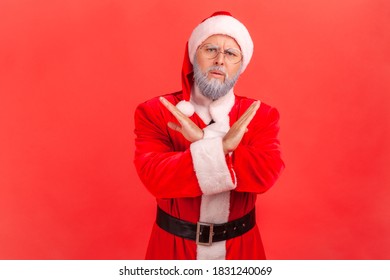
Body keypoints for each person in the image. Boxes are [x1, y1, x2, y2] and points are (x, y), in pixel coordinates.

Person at [134, 11, 284, 260]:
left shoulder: (261, 114)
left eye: (231, 54)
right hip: (172, 250)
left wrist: (204, 142)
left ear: (240, 64)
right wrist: (224, 146)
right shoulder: (155, 111)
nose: (220, 61)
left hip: (241, 251)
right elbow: (154, 177)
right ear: (194, 56)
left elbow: (265, 173)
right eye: (210, 49)